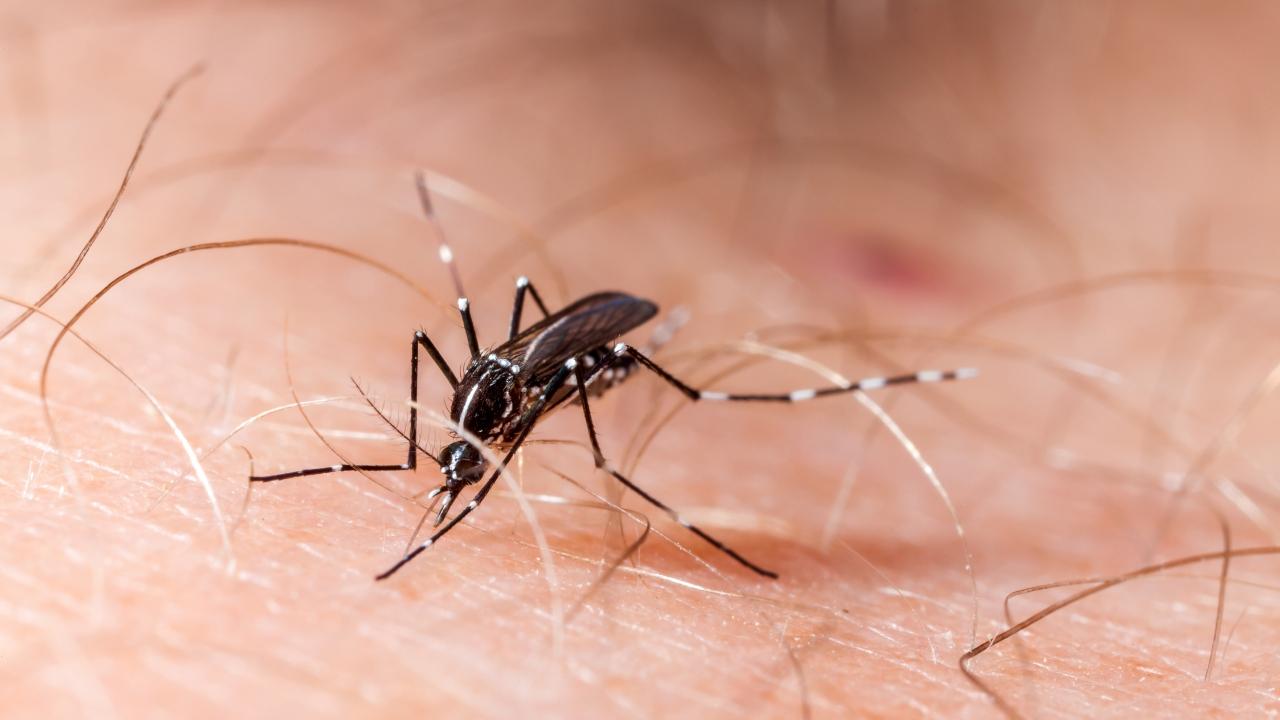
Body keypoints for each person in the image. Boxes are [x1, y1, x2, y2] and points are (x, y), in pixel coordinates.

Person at [3, 2, 1274, 716]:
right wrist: (434, 458)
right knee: (473, 330)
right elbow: (465, 394)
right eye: (454, 465)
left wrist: (546, 457)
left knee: (560, 356)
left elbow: (549, 366)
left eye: (457, 467)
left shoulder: (516, 391)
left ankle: (675, 441)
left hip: (594, 337)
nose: (463, 470)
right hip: (535, 352)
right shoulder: (471, 401)